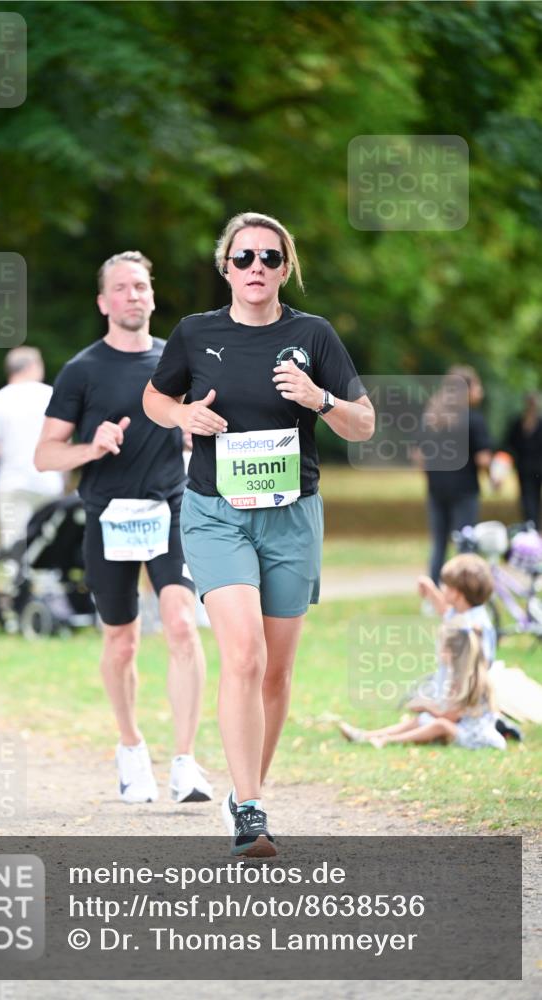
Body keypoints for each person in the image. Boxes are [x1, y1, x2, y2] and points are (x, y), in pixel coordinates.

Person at [143, 211, 374, 856]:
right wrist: (184, 413)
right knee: (243, 655)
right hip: (216, 511)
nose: (256, 269)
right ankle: (250, 810)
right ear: (226, 267)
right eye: (243, 258)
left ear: (286, 267)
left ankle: (247, 793)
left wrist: (317, 399)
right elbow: (153, 400)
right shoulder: (195, 333)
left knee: (275, 672)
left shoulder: (315, 335)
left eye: (270, 258)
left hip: (292, 514)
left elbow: (364, 423)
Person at [34, 251, 211, 806]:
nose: (133, 295)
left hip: (171, 509)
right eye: (121, 288)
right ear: (103, 302)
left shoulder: (175, 364)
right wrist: (95, 445)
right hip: (108, 516)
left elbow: (196, 424)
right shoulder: (81, 370)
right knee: (122, 641)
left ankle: (185, 761)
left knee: (182, 625)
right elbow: (44, 457)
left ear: (152, 296)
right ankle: (132, 749)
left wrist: (192, 431)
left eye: (141, 286)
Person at [339, 622, 505, 751]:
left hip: (476, 736)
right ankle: (366, 735)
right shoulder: (457, 676)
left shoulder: (471, 681)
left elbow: (449, 717)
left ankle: (386, 740)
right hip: (463, 728)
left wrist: (425, 706)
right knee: (422, 720)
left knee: (440, 724)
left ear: (454, 653)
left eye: (443, 649)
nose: (439, 653)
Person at [0, 347, 65, 549]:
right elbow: (64, 441)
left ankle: (17, 578)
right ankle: (46, 579)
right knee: (48, 541)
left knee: (14, 541)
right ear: (32, 367)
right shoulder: (51, 395)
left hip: (11, 481)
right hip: (47, 480)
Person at [416, 366, 493, 584]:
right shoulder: (473, 420)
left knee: (439, 543)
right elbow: (483, 459)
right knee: (465, 545)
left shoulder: (431, 418)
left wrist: (432, 479)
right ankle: (462, 592)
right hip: (465, 490)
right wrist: (492, 478)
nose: (481, 391)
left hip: (436, 490)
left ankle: (434, 592)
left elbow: (419, 454)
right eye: (477, 386)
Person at [505, 392, 542, 529]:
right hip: (524, 467)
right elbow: (509, 444)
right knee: (527, 498)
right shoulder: (517, 423)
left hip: (538, 466)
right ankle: (531, 525)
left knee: (534, 498)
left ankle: (534, 525)